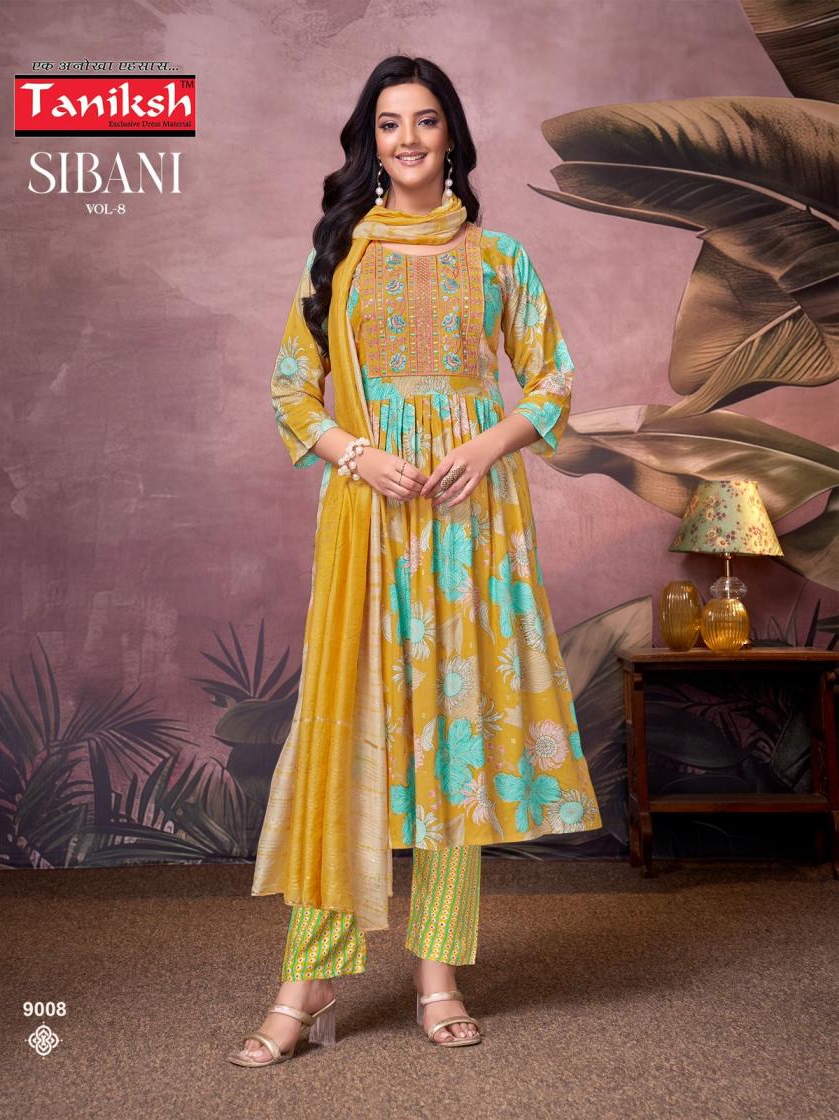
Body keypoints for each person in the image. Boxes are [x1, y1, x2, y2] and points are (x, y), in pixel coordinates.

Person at [228, 54, 603, 1068]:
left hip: (468, 528)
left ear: (452, 138)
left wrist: (487, 446)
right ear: (370, 141)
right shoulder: (339, 258)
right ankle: (306, 982)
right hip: (368, 522)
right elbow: (290, 389)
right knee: (341, 745)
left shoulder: (500, 258)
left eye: (425, 121)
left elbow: (554, 381)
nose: (407, 139)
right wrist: (357, 454)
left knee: (452, 744)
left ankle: (440, 976)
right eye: (389, 123)